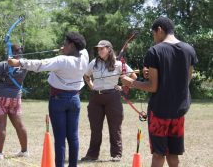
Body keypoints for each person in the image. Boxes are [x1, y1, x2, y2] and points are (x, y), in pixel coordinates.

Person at [121, 17, 198, 167]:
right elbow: (186, 79)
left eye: (154, 35)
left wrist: (130, 82)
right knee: (173, 155)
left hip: (160, 112)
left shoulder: (155, 51)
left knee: (158, 154)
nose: (154, 39)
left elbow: (152, 87)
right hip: (179, 111)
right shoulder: (189, 49)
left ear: (160, 30)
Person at [8, 31, 89, 167]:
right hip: (75, 99)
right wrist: (67, 50)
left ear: (72, 45)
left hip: (58, 100)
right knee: (73, 137)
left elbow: (40, 64)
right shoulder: (84, 56)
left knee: (60, 138)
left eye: (65, 43)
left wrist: (18, 62)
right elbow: (82, 48)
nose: (63, 45)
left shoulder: (61, 60)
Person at [80, 40, 137, 162]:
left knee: (115, 128)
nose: (99, 50)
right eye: (98, 49)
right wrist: (92, 87)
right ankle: (92, 155)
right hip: (96, 98)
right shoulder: (93, 63)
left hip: (113, 97)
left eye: (102, 48)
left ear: (109, 49)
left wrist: (123, 87)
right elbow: (86, 75)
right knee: (95, 128)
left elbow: (133, 76)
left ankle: (116, 155)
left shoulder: (118, 64)